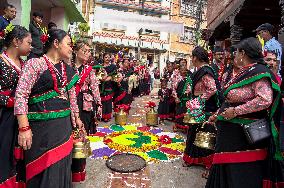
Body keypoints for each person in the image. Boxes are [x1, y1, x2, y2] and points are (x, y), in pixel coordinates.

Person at [206, 37, 283, 188]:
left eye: (236, 52)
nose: (234, 55)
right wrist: (218, 115)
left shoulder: (260, 72)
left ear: (243, 53)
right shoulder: (244, 71)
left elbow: (264, 99)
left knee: (240, 171)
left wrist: (235, 111)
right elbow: (230, 100)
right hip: (231, 134)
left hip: (244, 137)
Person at [14, 29, 83, 187]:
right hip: (42, 130)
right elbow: (21, 95)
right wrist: (24, 128)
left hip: (63, 127)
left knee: (62, 169)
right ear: (56, 44)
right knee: (44, 172)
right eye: (68, 44)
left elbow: (72, 98)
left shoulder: (68, 70)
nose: (71, 48)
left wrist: (77, 119)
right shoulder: (35, 64)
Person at [0, 25, 31, 187]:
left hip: (21, 117)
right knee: (4, 152)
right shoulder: (1, 61)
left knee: (19, 154)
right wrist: (12, 101)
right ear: (16, 42)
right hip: (4, 116)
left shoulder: (25, 64)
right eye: (28, 42)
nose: (31, 46)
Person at [183, 46, 220, 176]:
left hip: (206, 109)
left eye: (192, 57)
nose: (191, 59)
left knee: (205, 136)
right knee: (194, 133)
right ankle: (194, 159)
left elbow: (212, 89)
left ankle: (209, 165)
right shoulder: (200, 70)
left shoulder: (206, 71)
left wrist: (199, 100)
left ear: (196, 57)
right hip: (198, 107)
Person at [72, 39, 102, 135]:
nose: (88, 54)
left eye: (89, 51)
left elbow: (95, 88)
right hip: (71, 101)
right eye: (85, 51)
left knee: (84, 127)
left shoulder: (89, 70)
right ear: (75, 51)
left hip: (86, 103)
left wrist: (98, 104)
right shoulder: (67, 67)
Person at [173, 66, 192, 132]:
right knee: (179, 112)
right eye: (182, 70)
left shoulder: (189, 79)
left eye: (185, 70)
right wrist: (176, 97)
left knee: (186, 113)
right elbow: (174, 89)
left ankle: (184, 127)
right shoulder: (177, 79)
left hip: (187, 100)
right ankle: (177, 126)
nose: (184, 72)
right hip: (179, 99)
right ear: (179, 71)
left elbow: (191, 89)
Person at [100, 53, 117, 122]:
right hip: (101, 86)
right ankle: (101, 115)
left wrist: (108, 78)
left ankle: (107, 116)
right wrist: (102, 79)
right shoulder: (100, 66)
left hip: (109, 85)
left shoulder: (113, 66)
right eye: (105, 57)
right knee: (102, 102)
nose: (107, 59)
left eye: (108, 57)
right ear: (103, 58)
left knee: (108, 101)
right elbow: (98, 75)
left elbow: (114, 76)